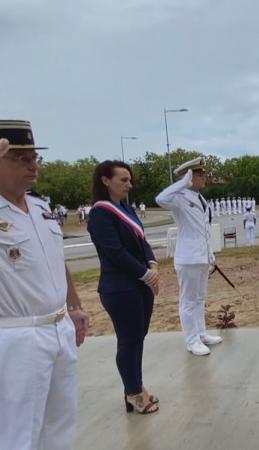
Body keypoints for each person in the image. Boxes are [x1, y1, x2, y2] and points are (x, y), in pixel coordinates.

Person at [0, 120, 89, 450]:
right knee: (18, 438)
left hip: (59, 328)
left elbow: (56, 260)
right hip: (14, 337)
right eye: (20, 158)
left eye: (35, 157)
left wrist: (73, 306)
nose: (33, 165)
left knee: (59, 428)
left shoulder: (41, 208)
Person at [87, 160, 160, 415]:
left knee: (137, 339)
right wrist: (145, 274)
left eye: (130, 180)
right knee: (128, 341)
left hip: (140, 284)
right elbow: (114, 252)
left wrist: (152, 263)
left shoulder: (126, 209)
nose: (129, 184)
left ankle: (136, 387)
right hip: (119, 287)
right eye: (123, 180)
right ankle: (133, 393)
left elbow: (143, 241)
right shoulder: (100, 213)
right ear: (106, 181)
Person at [155, 157, 223, 356]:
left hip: (201, 257)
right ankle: (191, 340)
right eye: (199, 175)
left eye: (202, 174)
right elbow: (160, 199)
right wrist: (182, 183)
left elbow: (203, 230)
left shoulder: (201, 199)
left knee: (200, 298)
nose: (203, 178)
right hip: (188, 258)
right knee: (188, 300)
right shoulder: (179, 197)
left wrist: (210, 253)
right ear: (189, 176)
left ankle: (201, 333)